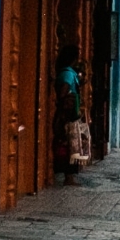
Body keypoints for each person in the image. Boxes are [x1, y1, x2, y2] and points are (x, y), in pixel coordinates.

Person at [49, 48, 86, 186]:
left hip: (67, 114)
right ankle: (68, 176)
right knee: (71, 144)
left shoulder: (65, 73)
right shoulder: (68, 74)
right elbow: (63, 91)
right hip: (68, 115)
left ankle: (68, 176)